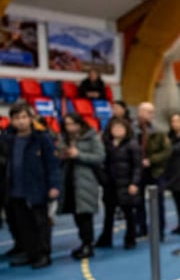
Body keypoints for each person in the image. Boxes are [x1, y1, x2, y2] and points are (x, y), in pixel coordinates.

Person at [0, 102, 60, 269]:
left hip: (37, 188)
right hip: (14, 188)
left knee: (40, 223)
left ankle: (43, 254)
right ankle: (30, 253)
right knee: (23, 224)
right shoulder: (7, 139)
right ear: (11, 120)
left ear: (31, 119)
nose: (20, 121)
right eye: (16, 118)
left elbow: (52, 163)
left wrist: (54, 185)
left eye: (24, 117)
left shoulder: (42, 138)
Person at [57, 113, 106, 259]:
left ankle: (88, 244)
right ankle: (83, 242)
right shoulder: (64, 139)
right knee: (76, 214)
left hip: (85, 180)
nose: (69, 127)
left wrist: (78, 155)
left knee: (85, 215)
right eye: (67, 124)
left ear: (79, 124)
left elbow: (99, 157)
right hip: (69, 179)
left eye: (72, 123)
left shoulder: (91, 137)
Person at [96, 118, 141, 249]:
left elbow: (137, 166)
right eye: (114, 128)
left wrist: (134, 183)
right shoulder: (106, 144)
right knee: (108, 213)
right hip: (110, 184)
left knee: (128, 213)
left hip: (126, 182)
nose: (117, 131)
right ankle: (106, 237)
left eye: (120, 128)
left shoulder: (132, 145)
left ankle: (130, 238)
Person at [134, 102, 171, 238]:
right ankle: (141, 228)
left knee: (158, 202)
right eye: (149, 112)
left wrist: (151, 160)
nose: (152, 115)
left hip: (155, 171)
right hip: (137, 171)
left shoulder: (159, 130)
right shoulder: (131, 129)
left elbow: (166, 151)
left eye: (153, 112)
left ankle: (159, 230)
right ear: (140, 112)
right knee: (138, 202)